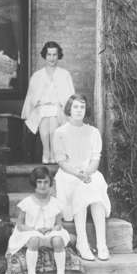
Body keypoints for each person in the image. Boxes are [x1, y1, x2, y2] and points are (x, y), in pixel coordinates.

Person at [53, 94, 111, 261]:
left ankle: (102, 244)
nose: (79, 110)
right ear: (69, 109)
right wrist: (77, 174)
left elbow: (95, 158)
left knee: (94, 187)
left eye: (82, 107)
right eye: (76, 107)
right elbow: (61, 161)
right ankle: (82, 243)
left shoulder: (93, 132)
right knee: (82, 189)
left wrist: (87, 173)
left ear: (86, 110)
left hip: (89, 172)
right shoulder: (60, 132)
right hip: (68, 174)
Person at [6, 166, 70, 274]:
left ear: (50, 183)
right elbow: (20, 225)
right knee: (34, 239)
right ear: (34, 183)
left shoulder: (55, 203)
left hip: (49, 233)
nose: (42, 185)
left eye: (46, 182)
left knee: (58, 240)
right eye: (39, 182)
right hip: (31, 232)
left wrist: (51, 229)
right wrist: (34, 229)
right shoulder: (27, 202)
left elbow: (59, 225)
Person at [21, 41, 74, 164]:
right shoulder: (37, 75)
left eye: (54, 54)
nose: (51, 58)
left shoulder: (64, 74)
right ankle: (46, 150)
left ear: (58, 55)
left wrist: (60, 105)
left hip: (59, 111)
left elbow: (69, 97)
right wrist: (39, 102)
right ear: (45, 55)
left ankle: (53, 152)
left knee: (53, 118)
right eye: (49, 54)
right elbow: (31, 98)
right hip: (41, 110)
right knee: (45, 115)